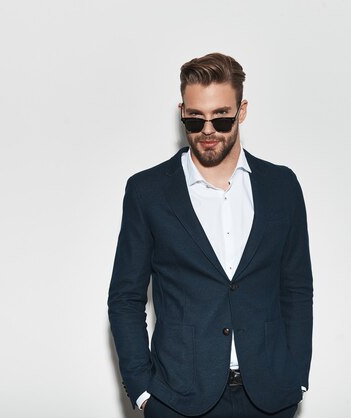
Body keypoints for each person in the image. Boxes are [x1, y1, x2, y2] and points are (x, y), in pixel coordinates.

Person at [108, 52, 313, 418]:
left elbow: (296, 289)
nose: (207, 130)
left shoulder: (282, 186)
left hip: (269, 399)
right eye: (194, 118)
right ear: (181, 111)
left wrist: (296, 378)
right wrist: (142, 390)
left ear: (242, 111)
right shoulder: (147, 191)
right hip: (178, 400)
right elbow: (125, 298)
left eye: (221, 118)